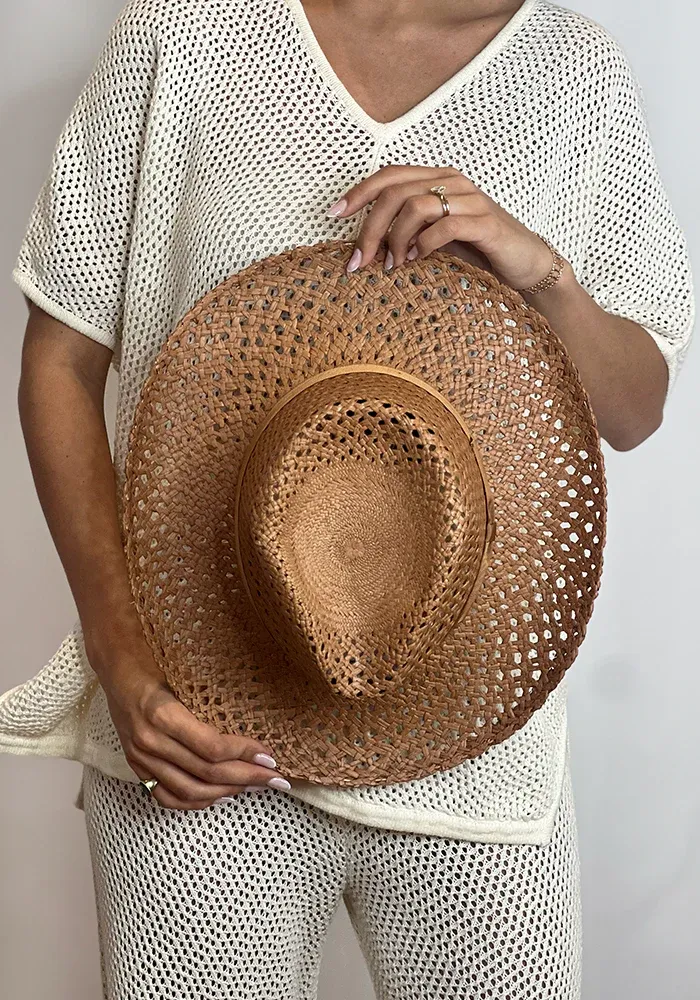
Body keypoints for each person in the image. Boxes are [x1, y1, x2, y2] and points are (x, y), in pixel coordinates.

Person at [2, 0, 694, 997]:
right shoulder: (184, 32)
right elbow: (61, 361)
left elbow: (634, 407)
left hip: (472, 759)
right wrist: (120, 655)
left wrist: (540, 272)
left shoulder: (570, 74)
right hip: (197, 737)